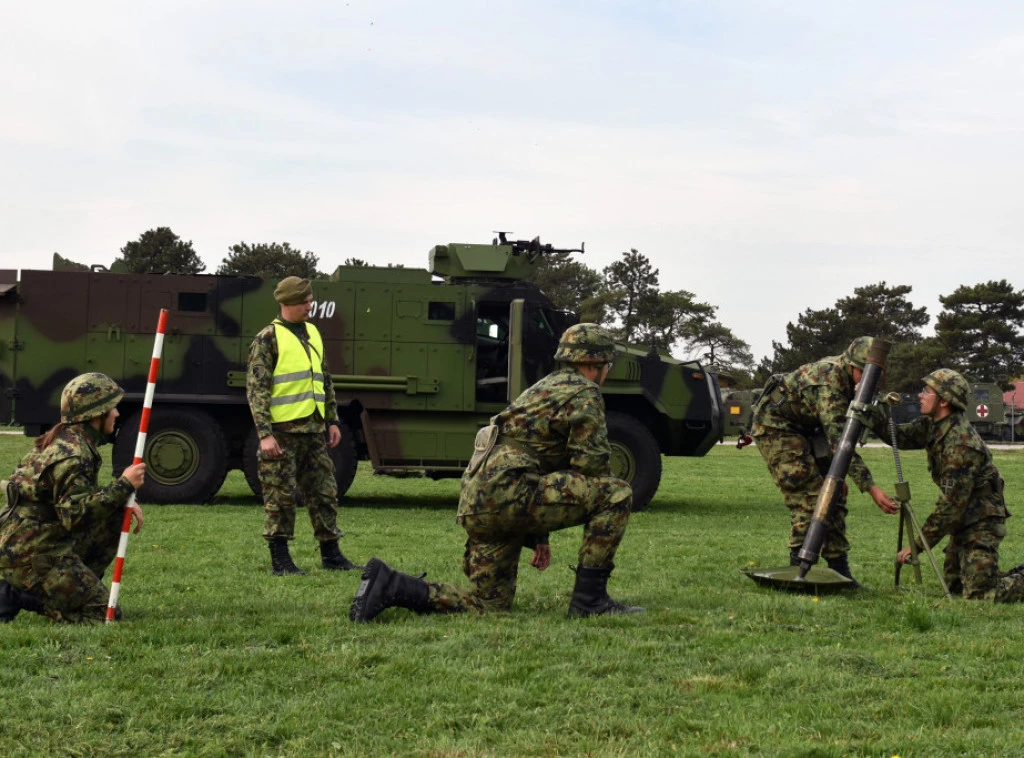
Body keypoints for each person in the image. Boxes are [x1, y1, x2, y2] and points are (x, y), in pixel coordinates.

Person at [349, 323, 642, 621]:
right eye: (608, 365)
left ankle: (392, 584)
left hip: (481, 504)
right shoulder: (585, 392)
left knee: (488, 605)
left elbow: (535, 458)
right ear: (596, 364)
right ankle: (590, 602)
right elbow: (591, 468)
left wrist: (539, 534)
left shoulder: (544, 387)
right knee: (615, 493)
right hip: (510, 497)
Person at [751, 336, 898, 585]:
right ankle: (796, 571)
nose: (867, 381)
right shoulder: (828, 382)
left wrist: (837, 474)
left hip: (811, 430)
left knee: (835, 496)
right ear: (851, 365)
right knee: (810, 497)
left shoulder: (852, 383)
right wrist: (871, 487)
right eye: (863, 373)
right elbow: (841, 440)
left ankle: (840, 572)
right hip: (777, 427)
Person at [0, 373, 145, 623]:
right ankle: (16, 594)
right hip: (30, 556)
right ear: (96, 414)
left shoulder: (64, 440)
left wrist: (121, 501)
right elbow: (74, 517)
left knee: (115, 513)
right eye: (112, 408)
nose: (117, 414)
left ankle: (78, 584)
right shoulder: (74, 455)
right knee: (104, 616)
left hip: (27, 544)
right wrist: (124, 485)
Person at [872, 369, 1024, 601]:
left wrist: (918, 545)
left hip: (981, 520)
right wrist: (872, 408)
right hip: (963, 518)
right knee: (954, 586)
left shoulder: (961, 443)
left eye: (927, 392)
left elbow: (950, 507)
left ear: (943, 401)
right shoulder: (934, 424)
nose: (921, 396)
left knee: (980, 593)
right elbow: (899, 437)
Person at [247, 275, 357, 575]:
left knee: (325, 493)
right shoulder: (267, 339)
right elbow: (257, 390)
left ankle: (331, 555)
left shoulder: (312, 333)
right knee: (280, 497)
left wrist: (331, 420)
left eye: (311, 300)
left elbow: (324, 380)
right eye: (306, 302)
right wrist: (265, 434)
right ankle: (281, 561)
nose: (311, 306)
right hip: (282, 434)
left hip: (314, 431)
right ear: (288, 304)